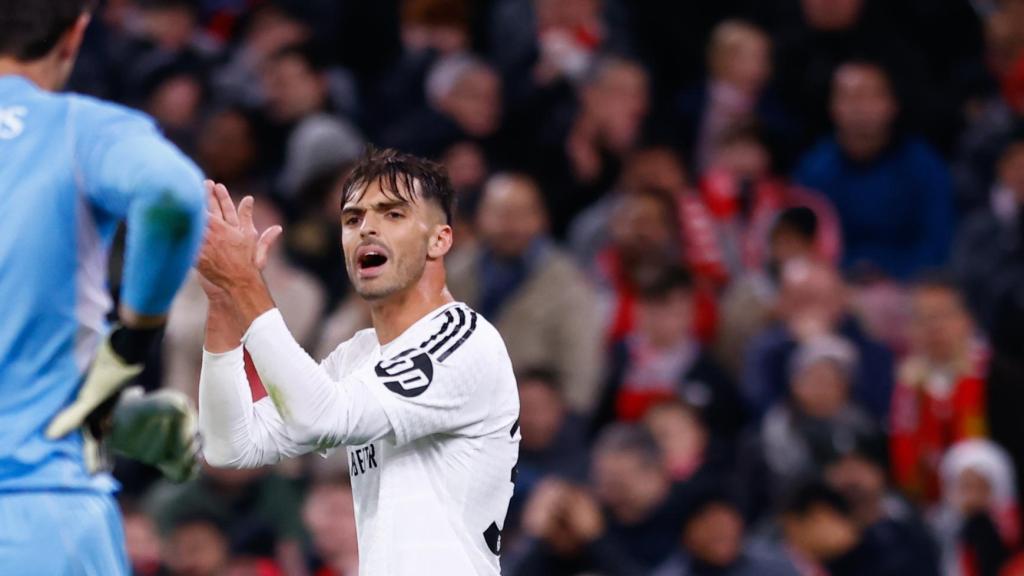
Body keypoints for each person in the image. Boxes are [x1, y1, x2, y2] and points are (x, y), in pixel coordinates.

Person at [197, 147, 520, 575]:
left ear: (439, 239)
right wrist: (223, 303)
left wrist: (244, 287)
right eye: (353, 219)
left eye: (393, 214)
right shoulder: (358, 355)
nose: (367, 228)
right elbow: (230, 446)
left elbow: (322, 417)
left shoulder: (462, 341)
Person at [0, 0, 206, 573]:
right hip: (37, 514)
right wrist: (133, 341)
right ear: (75, 34)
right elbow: (171, 195)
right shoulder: (77, 130)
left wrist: (110, 414)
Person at [447, 173, 604, 413]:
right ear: (480, 217)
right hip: (459, 408)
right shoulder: (455, 271)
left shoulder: (567, 282)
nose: (511, 225)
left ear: (540, 218)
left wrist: (568, 415)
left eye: (521, 214)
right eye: (501, 214)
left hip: (535, 419)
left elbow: (581, 367)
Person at [794, 61, 955, 280]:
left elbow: (938, 241)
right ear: (832, 107)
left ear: (892, 104)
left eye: (870, 96)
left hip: (912, 285)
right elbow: (802, 243)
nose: (859, 107)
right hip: (836, 286)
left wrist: (893, 274)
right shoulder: (814, 169)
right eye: (849, 97)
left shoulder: (924, 165)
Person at [890, 277, 989, 506]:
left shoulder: (996, 375)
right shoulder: (907, 386)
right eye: (923, 319)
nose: (934, 327)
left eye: (943, 315)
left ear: (967, 319)